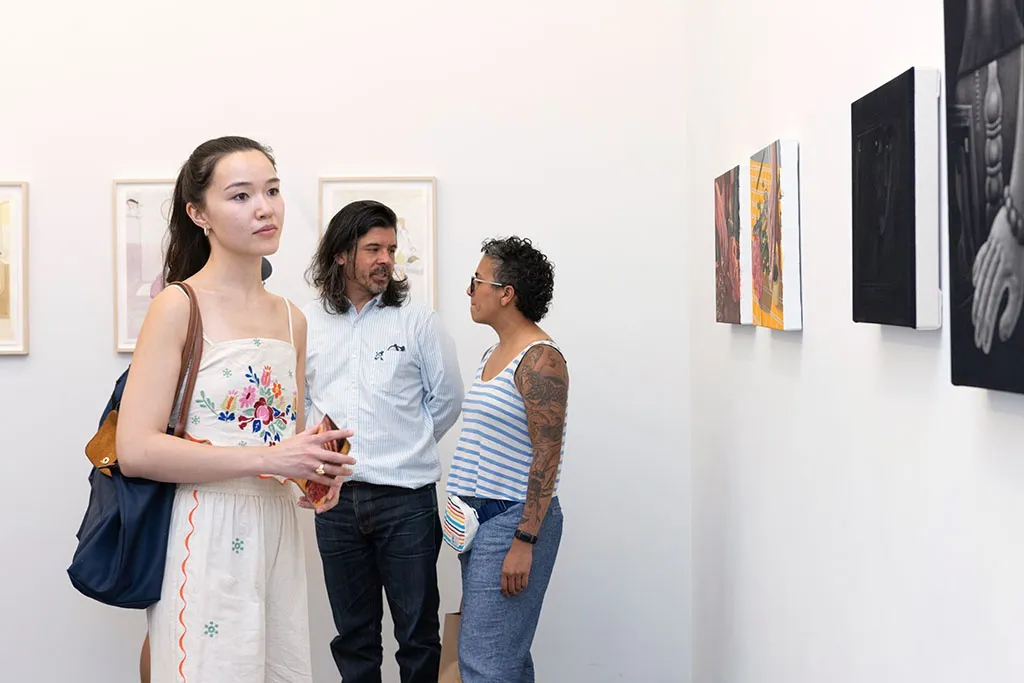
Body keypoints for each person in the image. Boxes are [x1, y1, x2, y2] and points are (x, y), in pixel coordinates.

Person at [115, 135, 357, 683]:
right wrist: (268, 456)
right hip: (206, 526)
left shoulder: (292, 318)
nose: (265, 207)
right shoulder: (177, 306)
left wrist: (315, 474)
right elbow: (136, 449)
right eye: (241, 195)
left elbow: (283, 447)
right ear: (199, 213)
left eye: (271, 190)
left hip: (276, 534)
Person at [303, 199, 464, 683]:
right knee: (352, 636)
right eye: (373, 248)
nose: (385, 260)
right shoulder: (306, 322)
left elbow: (448, 399)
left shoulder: (418, 321)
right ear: (340, 255)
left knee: (417, 634)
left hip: (406, 502)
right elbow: (302, 402)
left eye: (391, 249)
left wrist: (409, 445)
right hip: (337, 505)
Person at [444, 236, 568, 683]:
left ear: (506, 293)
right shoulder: (493, 354)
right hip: (479, 523)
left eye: (477, 281)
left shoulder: (540, 360)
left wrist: (525, 540)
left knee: (485, 664)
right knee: (504, 658)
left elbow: (547, 457)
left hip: (512, 523)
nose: (469, 290)